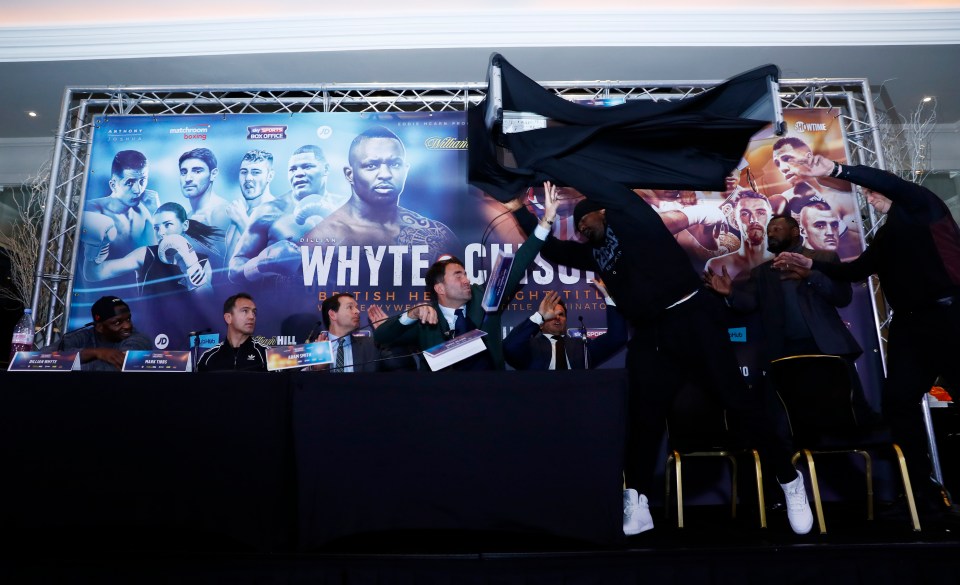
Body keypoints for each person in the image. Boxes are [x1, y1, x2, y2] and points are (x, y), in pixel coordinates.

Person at [511, 183, 814, 536]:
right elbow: (553, 251)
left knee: (738, 401)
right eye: (577, 226)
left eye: (585, 220)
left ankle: (789, 480)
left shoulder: (636, 225)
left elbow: (620, 199)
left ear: (605, 213)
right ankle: (637, 501)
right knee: (643, 416)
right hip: (652, 333)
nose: (581, 228)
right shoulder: (594, 254)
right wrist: (528, 212)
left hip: (692, 316)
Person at [773, 156, 960, 526]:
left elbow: (889, 182)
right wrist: (812, 265)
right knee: (898, 403)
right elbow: (858, 269)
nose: (870, 195)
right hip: (911, 327)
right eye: (867, 192)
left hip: (950, 316)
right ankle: (924, 493)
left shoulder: (922, 206)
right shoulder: (888, 233)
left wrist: (837, 171)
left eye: (874, 190)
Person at [704, 213, 877, 421]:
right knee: (797, 417)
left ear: (795, 231)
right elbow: (748, 304)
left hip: (827, 348)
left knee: (845, 414)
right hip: (785, 353)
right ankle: (804, 453)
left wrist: (811, 275)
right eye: (769, 231)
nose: (771, 234)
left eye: (777, 229)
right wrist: (731, 293)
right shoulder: (762, 272)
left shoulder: (823, 259)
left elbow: (842, 297)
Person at [373, 181, 558, 371]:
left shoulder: (486, 297)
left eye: (465, 274)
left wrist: (546, 223)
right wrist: (408, 316)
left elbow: (519, 263)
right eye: (458, 275)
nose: (466, 280)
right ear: (440, 288)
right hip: (443, 397)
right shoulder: (427, 319)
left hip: (489, 391)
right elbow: (382, 337)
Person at [304, 126, 459, 259]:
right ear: (349, 175)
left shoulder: (436, 234)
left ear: (405, 170)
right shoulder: (322, 238)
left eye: (395, 164)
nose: (385, 174)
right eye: (372, 165)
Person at [228, 146, 342, 283]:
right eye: (293, 169)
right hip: (285, 302)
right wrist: (260, 264)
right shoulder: (269, 212)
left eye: (307, 166)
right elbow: (234, 270)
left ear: (326, 169)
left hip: (337, 301)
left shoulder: (350, 207)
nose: (298, 173)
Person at [81, 202, 220, 297]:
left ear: (184, 225)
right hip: (152, 333)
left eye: (168, 225)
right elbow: (94, 274)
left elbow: (208, 302)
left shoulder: (201, 261)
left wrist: (189, 265)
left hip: (189, 332)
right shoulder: (146, 254)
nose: (161, 233)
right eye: (156, 227)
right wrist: (93, 249)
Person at [503, 278, 626, 370]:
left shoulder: (582, 347)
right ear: (541, 324)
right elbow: (509, 347)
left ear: (566, 321)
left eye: (561, 315)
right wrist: (539, 316)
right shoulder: (530, 347)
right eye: (551, 316)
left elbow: (617, 338)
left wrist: (609, 297)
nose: (557, 318)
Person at [771, 136, 861, 253]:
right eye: (777, 163)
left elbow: (860, 242)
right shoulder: (782, 202)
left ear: (808, 157)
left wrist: (836, 223)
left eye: (787, 158)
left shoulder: (840, 196)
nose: (782, 168)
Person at [309, 293, 415, 372]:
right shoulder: (314, 348)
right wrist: (314, 370)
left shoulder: (372, 345)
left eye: (356, 307)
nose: (357, 311)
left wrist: (389, 333)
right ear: (333, 314)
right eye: (350, 307)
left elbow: (402, 367)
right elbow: (298, 385)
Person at [83, 150, 159, 259]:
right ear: (113, 185)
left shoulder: (143, 212)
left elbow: (158, 258)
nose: (138, 190)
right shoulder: (92, 210)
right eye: (130, 182)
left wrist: (157, 214)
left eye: (142, 181)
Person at [46, 295, 152, 371]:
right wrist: (96, 353)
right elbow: (42, 359)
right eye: (117, 322)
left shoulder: (138, 340)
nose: (127, 326)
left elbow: (116, 367)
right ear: (99, 327)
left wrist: (65, 363)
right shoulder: (82, 336)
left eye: (128, 319)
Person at [704, 190, 774, 281]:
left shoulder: (784, 261)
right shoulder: (716, 265)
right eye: (744, 214)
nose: (753, 220)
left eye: (761, 213)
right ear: (735, 220)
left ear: (771, 218)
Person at [224, 149, 276, 259]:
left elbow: (270, 260)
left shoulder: (277, 212)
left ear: (270, 176)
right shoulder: (238, 212)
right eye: (244, 172)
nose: (248, 178)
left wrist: (241, 219)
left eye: (256, 172)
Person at [196, 292, 268, 372]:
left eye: (254, 312)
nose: (252, 317)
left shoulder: (266, 354)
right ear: (228, 318)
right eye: (245, 311)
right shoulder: (208, 357)